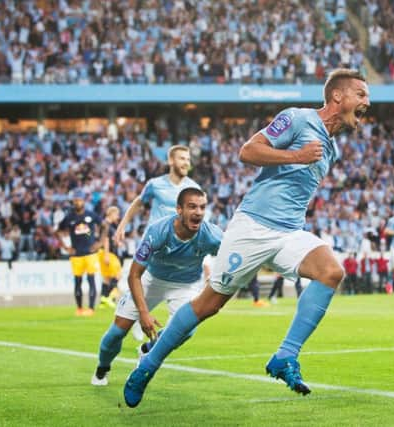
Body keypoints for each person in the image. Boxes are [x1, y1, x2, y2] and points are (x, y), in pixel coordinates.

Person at [123, 68, 370, 407]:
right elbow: (248, 151)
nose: (367, 102)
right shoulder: (296, 119)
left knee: (331, 272)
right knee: (209, 304)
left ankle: (285, 357)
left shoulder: (332, 148)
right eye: (361, 94)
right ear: (338, 97)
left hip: (288, 232)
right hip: (252, 226)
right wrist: (296, 156)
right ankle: (147, 365)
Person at [91, 186, 222, 386]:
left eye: (202, 207)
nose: (198, 212)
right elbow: (134, 275)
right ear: (179, 210)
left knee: (187, 329)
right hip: (151, 280)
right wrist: (143, 314)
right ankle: (102, 368)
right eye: (192, 207)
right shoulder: (158, 231)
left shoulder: (212, 235)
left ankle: (149, 349)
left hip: (185, 285)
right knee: (117, 332)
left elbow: (231, 255)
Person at [114, 145, 200, 340]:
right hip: (153, 245)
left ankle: (157, 340)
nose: (186, 162)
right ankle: (134, 311)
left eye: (188, 159)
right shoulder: (155, 184)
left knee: (181, 302)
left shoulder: (194, 188)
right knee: (140, 281)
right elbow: (138, 202)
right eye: (181, 158)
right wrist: (123, 224)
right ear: (171, 161)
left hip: (178, 248)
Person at [56, 189, 102, 316]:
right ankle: (80, 308)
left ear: (83, 201)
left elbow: (105, 226)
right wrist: (66, 247)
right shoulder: (69, 217)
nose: (77, 202)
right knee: (77, 282)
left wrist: (100, 243)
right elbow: (58, 231)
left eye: (79, 200)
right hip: (76, 255)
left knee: (91, 280)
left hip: (90, 254)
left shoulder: (91, 215)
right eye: (75, 200)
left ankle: (91, 308)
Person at [98, 206, 122, 309]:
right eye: (116, 214)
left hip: (105, 252)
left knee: (107, 278)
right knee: (117, 275)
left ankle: (103, 300)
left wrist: (117, 242)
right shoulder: (106, 224)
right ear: (111, 214)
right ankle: (108, 297)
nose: (117, 216)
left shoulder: (108, 225)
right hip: (108, 253)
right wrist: (107, 255)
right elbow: (106, 240)